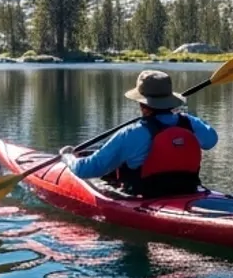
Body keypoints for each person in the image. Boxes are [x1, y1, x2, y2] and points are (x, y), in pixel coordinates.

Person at [59, 69, 218, 197]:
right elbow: (211, 140)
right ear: (170, 100)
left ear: (142, 104)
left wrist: (68, 157)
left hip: (145, 196)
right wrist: (181, 116)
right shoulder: (190, 123)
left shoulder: (132, 133)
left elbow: (85, 170)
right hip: (187, 191)